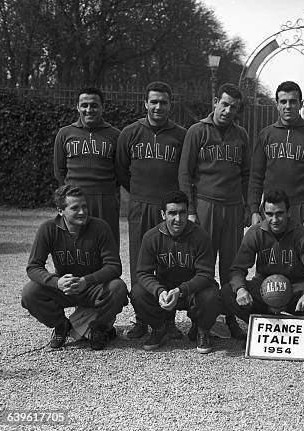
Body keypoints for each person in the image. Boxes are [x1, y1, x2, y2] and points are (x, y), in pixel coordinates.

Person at [115, 81, 187, 340]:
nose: (158, 106)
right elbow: (122, 170)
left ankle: (168, 320)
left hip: (169, 209)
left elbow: (185, 171)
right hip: (141, 205)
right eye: (153, 101)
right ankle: (142, 319)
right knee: (140, 262)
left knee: (168, 261)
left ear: (171, 105)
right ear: (145, 104)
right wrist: (138, 194)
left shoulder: (181, 135)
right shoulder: (130, 132)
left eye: (163, 102)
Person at [178, 83, 249, 340]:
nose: (228, 110)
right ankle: (200, 322)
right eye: (225, 104)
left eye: (234, 107)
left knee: (231, 266)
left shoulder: (241, 135)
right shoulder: (198, 131)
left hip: (232, 207)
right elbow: (185, 173)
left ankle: (231, 317)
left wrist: (248, 207)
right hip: (205, 204)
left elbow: (247, 174)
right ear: (216, 102)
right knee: (203, 265)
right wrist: (191, 210)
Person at [21, 185, 128, 350]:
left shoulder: (100, 227)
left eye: (84, 206)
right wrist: (56, 282)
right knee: (30, 293)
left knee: (118, 288)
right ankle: (61, 326)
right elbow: (33, 267)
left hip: (93, 287)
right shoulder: (48, 229)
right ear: (61, 210)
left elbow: (114, 266)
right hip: (66, 288)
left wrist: (87, 281)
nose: (82, 212)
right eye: (75, 208)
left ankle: (98, 328)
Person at [222, 189, 304, 340]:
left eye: (279, 213)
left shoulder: (301, 234)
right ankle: (260, 327)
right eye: (269, 214)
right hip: (264, 288)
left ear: (288, 212)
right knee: (228, 291)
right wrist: (241, 289)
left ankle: (299, 330)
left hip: (294, 288)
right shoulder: (255, 233)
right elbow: (237, 269)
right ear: (263, 213)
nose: (274, 219)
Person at [130, 190, 223, 353]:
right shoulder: (151, 237)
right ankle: (159, 328)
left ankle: (202, 329)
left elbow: (206, 274)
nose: (178, 219)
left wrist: (181, 291)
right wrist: (159, 291)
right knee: (138, 293)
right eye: (172, 213)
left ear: (188, 212)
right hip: (164, 290)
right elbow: (143, 273)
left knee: (213, 295)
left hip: (192, 290)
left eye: (182, 212)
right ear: (163, 214)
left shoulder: (201, 236)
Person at [248, 81, 304, 242]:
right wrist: (254, 210)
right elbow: (256, 176)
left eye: (293, 101)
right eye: (283, 102)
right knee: (270, 258)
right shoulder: (266, 135)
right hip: (272, 208)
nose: (288, 106)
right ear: (277, 104)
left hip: (302, 208)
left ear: (301, 104)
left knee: (303, 259)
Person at [53, 87, 121, 244]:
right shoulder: (65, 133)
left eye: (94, 105)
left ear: (102, 107)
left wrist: (105, 190)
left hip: (105, 199)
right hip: (74, 199)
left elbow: (120, 171)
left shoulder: (115, 135)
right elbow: (59, 170)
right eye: (84, 105)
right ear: (77, 107)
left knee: (106, 244)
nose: (89, 110)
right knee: (75, 244)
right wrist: (69, 196)